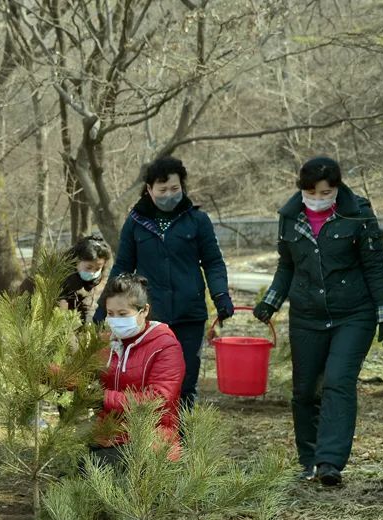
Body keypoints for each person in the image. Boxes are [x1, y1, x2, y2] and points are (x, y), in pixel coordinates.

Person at [253, 157, 383, 487]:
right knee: (304, 390)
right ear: (302, 189)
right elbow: (287, 266)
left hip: (354, 313)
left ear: (337, 188)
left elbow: (375, 266)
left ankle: (330, 461)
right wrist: (271, 301)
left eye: (327, 191)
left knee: (337, 381)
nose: (320, 197)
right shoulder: (290, 217)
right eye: (313, 192)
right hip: (307, 315)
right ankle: (309, 460)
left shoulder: (357, 212)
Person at [98, 156, 232, 410]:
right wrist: (102, 309)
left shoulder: (197, 220)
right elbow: (122, 267)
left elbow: (213, 261)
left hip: (189, 314)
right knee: (149, 383)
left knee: (185, 383)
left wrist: (221, 295)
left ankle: (182, 443)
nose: (169, 195)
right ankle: (149, 441)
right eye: (162, 190)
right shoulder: (135, 223)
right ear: (149, 190)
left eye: (175, 189)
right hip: (152, 317)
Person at [88, 274, 184, 468]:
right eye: (111, 313)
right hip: (107, 437)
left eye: (123, 314)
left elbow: (157, 400)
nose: (115, 321)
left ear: (144, 311)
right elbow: (83, 375)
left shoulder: (165, 346)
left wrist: (103, 398)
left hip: (151, 442)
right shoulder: (107, 342)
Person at [19, 234, 112, 324]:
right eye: (89, 267)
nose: (93, 273)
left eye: (97, 268)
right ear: (76, 260)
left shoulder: (89, 281)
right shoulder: (54, 275)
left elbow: (83, 307)